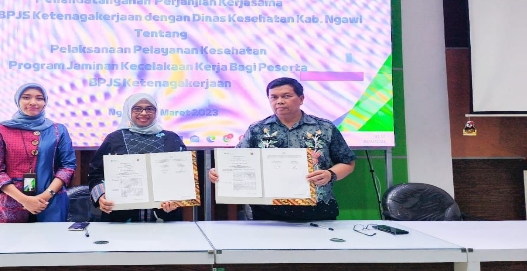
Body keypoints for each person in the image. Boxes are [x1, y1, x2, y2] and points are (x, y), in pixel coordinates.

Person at [209, 77, 356, 221]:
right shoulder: (257, 129)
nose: (279, 101)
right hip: (268, 210)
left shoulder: (324, 127)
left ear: (301, 99)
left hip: (318, 207)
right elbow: (237, 163)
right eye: (274, 97)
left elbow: (347, 162)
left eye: (286, 96)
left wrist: (330, 174)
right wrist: (220, 172)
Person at [0, 83, 76, 223]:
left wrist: (45, 196)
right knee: (9, 238)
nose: (33, 102)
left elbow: (68, 166)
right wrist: (25, 200)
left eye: (39, 98)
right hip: (11, 203)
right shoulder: (2, 130)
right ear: (18, 100)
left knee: (52, 238)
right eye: (26, 97)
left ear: (45, 102)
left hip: (51, 202)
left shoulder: (58, 130)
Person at [88, 93, 187, 222]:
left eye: (149, 108)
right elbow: (95, 173)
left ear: (156, 112)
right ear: (129, 111)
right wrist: (101, 196)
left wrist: (178, 200)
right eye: (137, 108)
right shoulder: (114, 139)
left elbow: (184, 174)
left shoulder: (171, 138)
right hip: (120, 218)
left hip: (165, 217)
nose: (144, 113)